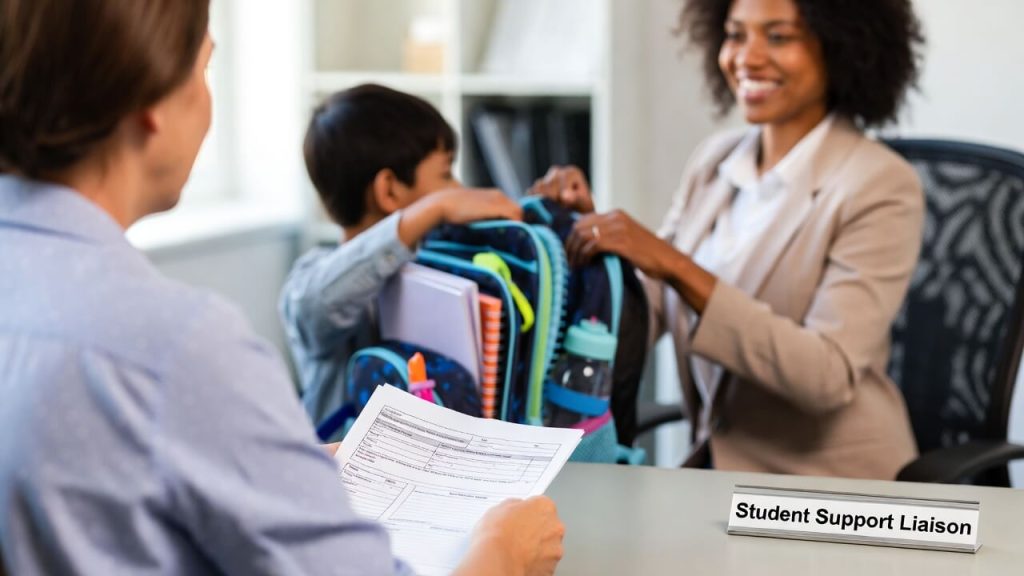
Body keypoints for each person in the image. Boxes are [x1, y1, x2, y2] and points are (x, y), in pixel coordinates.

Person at [0, 2, 563, 574]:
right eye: (205, 68)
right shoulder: (177, 347)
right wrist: (505, 550)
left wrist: (283, 464)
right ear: (152, 103)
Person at [533, 0, 926, 479]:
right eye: (736, 34)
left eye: (778, 36)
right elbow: (648, 309)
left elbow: (827, 375)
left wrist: (676, 266)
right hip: (717, 473)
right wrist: (593, 248)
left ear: (841, 48)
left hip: (830, 486)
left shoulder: (879, 184)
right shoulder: (714, 162)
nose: (747, 57)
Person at [280, 84, 522, 433]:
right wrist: (434, 208)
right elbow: (314, 304)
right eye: (446, 174)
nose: (457, 189)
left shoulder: (433, 263)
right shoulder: (311, 276)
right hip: (336, 461)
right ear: (389, 190)